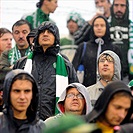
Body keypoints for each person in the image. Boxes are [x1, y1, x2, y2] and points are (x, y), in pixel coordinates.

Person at [13, 21, 78, 121]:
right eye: (42, 32)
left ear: (56, 37)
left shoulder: (65, 65)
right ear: (37, 37)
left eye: (50, 32)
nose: (45, 34)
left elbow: (75, 94)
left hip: (55, 123)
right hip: (25, 121)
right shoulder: (22, 63)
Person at [72, 15, 121, 87]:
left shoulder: (114, 49)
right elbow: (73, 70)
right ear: (92, 28)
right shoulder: (83, 47)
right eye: (96, 25)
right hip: (87, 91)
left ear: (107, 28)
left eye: (102, 25)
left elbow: (120, 72)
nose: (99, 28)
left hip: (109, 90)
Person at [0, 19, 32, 90]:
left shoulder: (36, 53)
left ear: (30, 34)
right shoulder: (6, 54)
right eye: (17, 32)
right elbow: (2, 73)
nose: (20, 36)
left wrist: (13, 68)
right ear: (13, 35)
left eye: (24, 32)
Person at [110, 0, 133, 84]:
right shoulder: (104, 26)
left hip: (127, 76)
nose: (119, 9)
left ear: (127, 8)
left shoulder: (131, 27)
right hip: (108, 75)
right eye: (116, 5)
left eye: (122, 6)